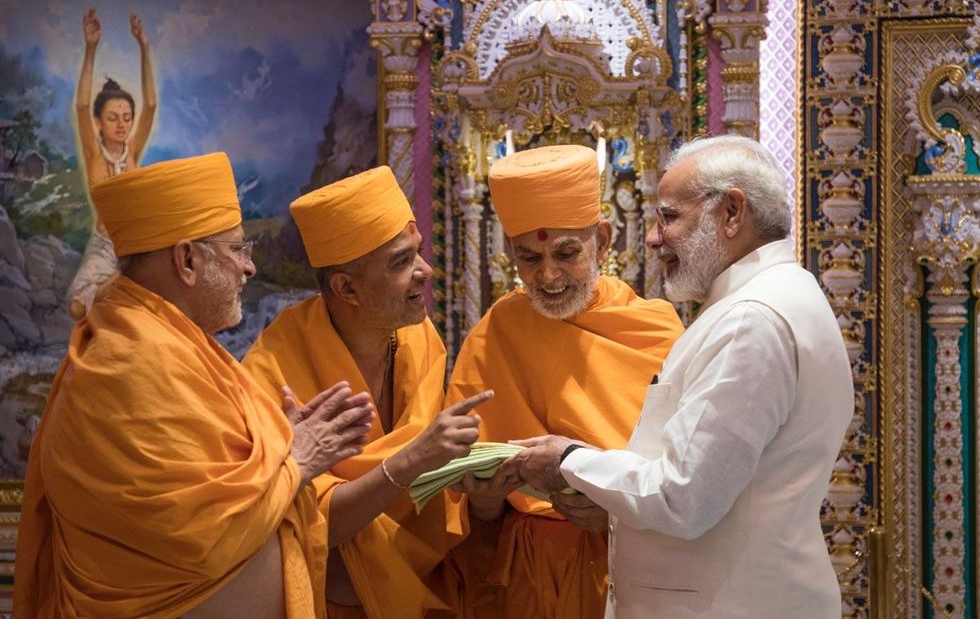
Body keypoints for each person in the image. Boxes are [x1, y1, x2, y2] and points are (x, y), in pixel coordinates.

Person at [14, 153, 375, 619]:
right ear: (186, 259)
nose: (249, 269)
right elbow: (202, 536)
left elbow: (219, 483)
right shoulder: (129, 362)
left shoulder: (167, 342)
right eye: (237, 250)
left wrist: (277, 443)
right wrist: (297, 460)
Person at [512, 135, 854, 618]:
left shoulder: (752, 319)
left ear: (732, 212)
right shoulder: (773, 298)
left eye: (669, 217)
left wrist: (567, 460)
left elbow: (683, 497)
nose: (653, 238)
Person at [243, 165, 493, 619]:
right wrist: (413, 459)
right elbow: (308, 524)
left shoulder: (419, 338)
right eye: (402, 262)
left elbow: (435, 501)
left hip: (426, 594)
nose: (426, 271)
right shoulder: (272, 371)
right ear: (346, 288)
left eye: (418, 253)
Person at [445, 144, 684, 619]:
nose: (548, 275)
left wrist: (618, 515)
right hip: (525, 578)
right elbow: (462, 502)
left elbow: (689, 478)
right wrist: (487, 503)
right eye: (529, 257)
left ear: (603, 239)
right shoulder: (496, 332)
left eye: (566, 252)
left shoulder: (655, 330)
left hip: (635, 567)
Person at [68, 8, 158, 319]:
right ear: (98, 122)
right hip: (105, 247)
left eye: (126, 118)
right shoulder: (94, 153)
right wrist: (91, 48)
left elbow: (150, 104)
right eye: (112, 118)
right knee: (78, 307)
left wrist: (144, 47)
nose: (121, 124)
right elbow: (80, 104)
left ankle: (127, 283)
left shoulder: (132, 151)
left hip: (136, 246)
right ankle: (121, 283)